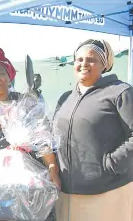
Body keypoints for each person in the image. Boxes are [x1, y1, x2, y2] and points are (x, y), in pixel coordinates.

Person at [0, 47, 61, 221]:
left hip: (30, 182)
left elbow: (42, 138)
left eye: (0, 73)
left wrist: (53, 170)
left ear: (9, 76)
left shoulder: (27, 103)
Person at [53, 39, 133, 221]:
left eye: (91, 60)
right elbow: (52, 136)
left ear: (104, 65)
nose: (83, 64)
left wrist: (110, 164)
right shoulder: (66, 98)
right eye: (79, 59)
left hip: (108, 191)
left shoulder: (120, 92)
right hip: (67, 192)